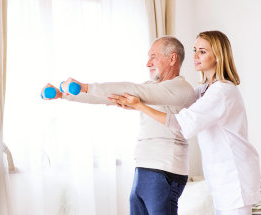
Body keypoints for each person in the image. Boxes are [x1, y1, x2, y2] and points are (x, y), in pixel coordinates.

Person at [109, 31, 261, 215]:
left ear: (218, 56)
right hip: (221, 180)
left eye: (202, 51)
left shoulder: (222, 91)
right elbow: (177, 105)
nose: (195, 56)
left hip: (234, 178)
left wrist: (140, 106)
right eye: (195, 50)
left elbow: (181, 123)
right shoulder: (203, 91)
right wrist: (136, 104)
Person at [41, 36, 196, 215]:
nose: (148, 63)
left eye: (153, 56)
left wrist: (85, 86)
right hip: (144, 168)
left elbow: (134, 90)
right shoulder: (150, 87)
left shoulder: (180, 88)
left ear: (172, 58)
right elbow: (108, 97)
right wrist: (64, 95)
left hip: (165, 169)